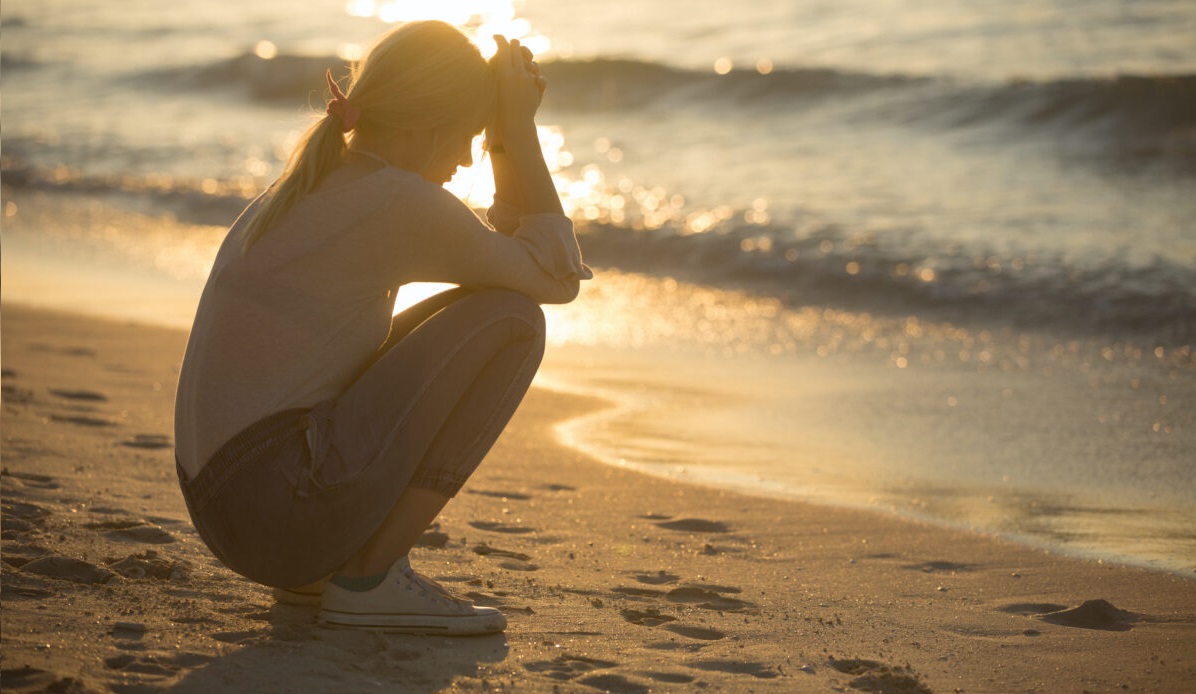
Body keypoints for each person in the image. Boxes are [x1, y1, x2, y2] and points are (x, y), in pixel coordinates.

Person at [172, 20, 590, 636]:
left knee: (492, 304)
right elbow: (553, 279)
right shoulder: (396, 202)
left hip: (232, 509)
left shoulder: (307, 185)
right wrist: (517, 135)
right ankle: (368, 578)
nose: (467, 158)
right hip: (278, 509)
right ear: (423, 126)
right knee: (514, 322)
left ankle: (336, 572)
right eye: (470, 136)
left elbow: (504, 260)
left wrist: (501, 136)